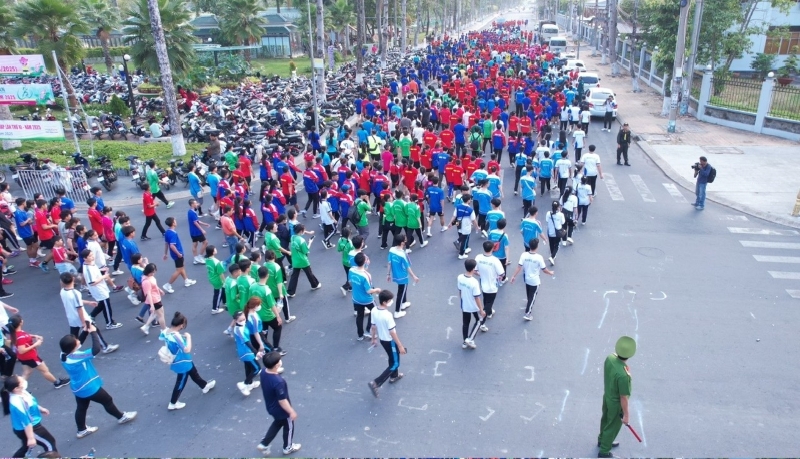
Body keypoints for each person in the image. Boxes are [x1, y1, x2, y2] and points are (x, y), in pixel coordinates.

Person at [59, 327, 137, 439]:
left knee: (81, 407)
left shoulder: (64, 354)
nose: (78, 340)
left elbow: (78, 342)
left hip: (78, 387)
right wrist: (93, 332)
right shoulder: (76, 357)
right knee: (107, 400)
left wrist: (86, 331)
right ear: (73, 347)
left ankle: (81, 430)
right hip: (89, 387)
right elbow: (95, 349)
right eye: (76, 341)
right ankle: (121, 417)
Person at [159, 312, 216, 410]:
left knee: (194, 373)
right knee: (181, 382)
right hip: (182, 361)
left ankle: (204, 386)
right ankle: (173, 403)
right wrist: (189, 337)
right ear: (181, 325)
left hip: (181, 360)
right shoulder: (177, 336)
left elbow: (162, 338)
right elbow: (187, 349)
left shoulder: (166, 331)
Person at [2, 374, 60, 458]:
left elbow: (31, 403)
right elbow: (26, 422)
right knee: (49, 444)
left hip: (22, 428)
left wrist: (40, 408)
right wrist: (31, 438)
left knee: (26, 446)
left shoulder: (21, 392)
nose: (24, 380)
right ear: (16, 388)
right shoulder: (18, 403)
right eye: (21, 381)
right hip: (32, 428)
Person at [5, 314, 70, 389]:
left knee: (27, 372)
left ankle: (18, 388)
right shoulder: (20, 337)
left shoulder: (14, 333)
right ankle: (57, 383)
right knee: (45, 370)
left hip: (23, 358)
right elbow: (21, 350)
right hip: (31, 357)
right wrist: (36, 344)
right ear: (20, 323)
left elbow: (25, 335)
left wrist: (34, 336)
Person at [597, 336, 637, 458]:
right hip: (616, 403)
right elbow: (623, 397)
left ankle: (602, 439)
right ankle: (604, 450)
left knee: (605, 420)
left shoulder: (610, 358)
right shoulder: (623, 376)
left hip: (608, 396)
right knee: (613, 426)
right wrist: (626, 415)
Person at [256, 351, 301, 455]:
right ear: (277, 365)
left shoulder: (263, 372)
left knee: (277, 423)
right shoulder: (279, 382)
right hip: (281, 410)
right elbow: (282, 400)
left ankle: (264, 443)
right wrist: (291, 411)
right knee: (289, 427)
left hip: (270, 407)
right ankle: (288, 447)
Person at [366, 289, 406, 398]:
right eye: (390, 300)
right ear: (384, 302)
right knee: (395, 363)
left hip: (383, 340)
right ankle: (376, 383)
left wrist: (373, 339)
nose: (391, 302)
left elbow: (373, 326)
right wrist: (400, 346)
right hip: (390, 341)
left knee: (392, 357)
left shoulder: (374, 310)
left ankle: (394, 375)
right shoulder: (387, 315)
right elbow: (392, 332)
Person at [509, 239, 555, 321]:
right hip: (535, 281)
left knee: (529, 294)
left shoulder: (524, 255)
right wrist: (550, 273)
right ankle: (527, 313)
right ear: (537, 247)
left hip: (526, 278)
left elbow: (519, 267)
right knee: (532, 297)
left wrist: (513, 276)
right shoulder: (539, 257)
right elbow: (544, 270)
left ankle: (528, 305)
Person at [81, 249, 121, 330]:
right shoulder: (88, 268)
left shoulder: (90, 264)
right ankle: (109, 323)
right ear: (85, 258)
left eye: (92, 255)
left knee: (103, 304)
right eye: (90, 256)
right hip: (98, 290)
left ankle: (91, 316)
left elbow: (94, 273)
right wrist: (104, 276)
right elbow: (92, 282)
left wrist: (100, 271)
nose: (92, 257)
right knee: (106, 306)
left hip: (101, 288)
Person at [387, 234, 419, 319]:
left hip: (396, 275)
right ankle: (397, 311)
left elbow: (389, 263)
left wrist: (388, 274)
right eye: (405, 240)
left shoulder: (391, 250)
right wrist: (414, 276)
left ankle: (404, 303)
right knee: (400, 293)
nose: (406, 241)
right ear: (402, 243)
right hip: (403, 276)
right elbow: (408, 267)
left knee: (403, 289)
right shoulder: (403, 254)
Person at [163, 217, 196, 293]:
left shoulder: (167, 232)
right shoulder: (173, 234)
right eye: (175, 221)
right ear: (173, 223)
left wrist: (165, 253)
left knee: (182, 267)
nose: (176, 222)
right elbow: (172, 245)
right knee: (179, 270)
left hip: (174, 254)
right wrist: (179, 254)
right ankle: (168, 284)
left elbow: (166, 244)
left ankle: (186, 280)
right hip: (178, 254)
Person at [457, 258, 484, 350]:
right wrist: (481, 309)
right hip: (473, 305)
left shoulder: (460, 277)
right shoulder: (474, 282)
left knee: (465, 323)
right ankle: (470, 339)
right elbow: (477, 297)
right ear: (473, 269)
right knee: (479, 320)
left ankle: (464, 341)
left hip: (464, 304)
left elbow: (460, 291)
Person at [287, 224, 321, 297]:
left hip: (295, 260)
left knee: (294, 276)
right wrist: (310, 242)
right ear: (301, 231)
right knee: (309, 273)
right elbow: (306, 251)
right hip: (302, 260)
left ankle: (291, 292)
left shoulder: (292, 237)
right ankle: (315, 285)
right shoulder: (301, 240)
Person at [140, 263, 167, 335]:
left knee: (154, 313)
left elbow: (154, 286)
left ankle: (145, 326)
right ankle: (164, 330)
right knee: (161, 315)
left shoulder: (147, 277)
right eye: (152, 272)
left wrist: (159, 290)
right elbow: (148, 294)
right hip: (155, 300)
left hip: (154, 298)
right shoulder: (146, 282)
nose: (153, 274)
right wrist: (152, 305)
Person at [448, 193, 477, 259]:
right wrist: (477, 226)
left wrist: (450, 223)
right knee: (464, 239)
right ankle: (461, 254)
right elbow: (474, 220)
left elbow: (454, 216)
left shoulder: (458, 206)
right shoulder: (470, 210)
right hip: (466, 225)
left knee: (461, 235)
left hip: (458, 223)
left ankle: (459, 243)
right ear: (469, 200)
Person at [188, 199, 210, 265]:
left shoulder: (190, 212)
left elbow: (197, 221)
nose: (197, 204)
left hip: (192, 232)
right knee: (205, 242)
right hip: (196, 232)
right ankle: (200, 256)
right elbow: (195, 223)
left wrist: (204, 224)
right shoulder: (192, 213)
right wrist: (202, 230)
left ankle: (195, 259)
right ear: (192, 205)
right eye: (195, 203)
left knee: (195, 244)